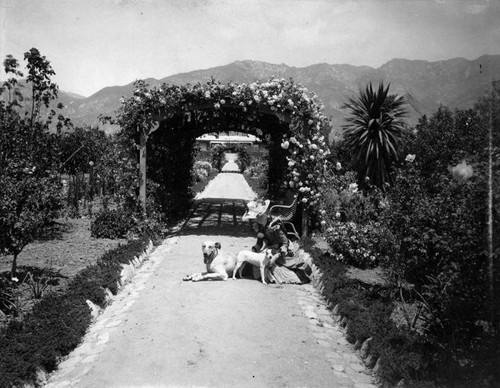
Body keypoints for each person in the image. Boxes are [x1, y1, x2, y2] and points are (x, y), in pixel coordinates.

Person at [242, 200, 311, 284]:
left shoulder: (275, 225)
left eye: (260, 216)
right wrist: (253, 252)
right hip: (269, 249)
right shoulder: (259, 226)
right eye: (256, 218)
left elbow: (284, 243)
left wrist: (277, 255)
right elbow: (259, 244)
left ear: (264, 214)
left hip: (282, 250)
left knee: (274, 268)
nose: (257, 219)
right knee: (256, 265)